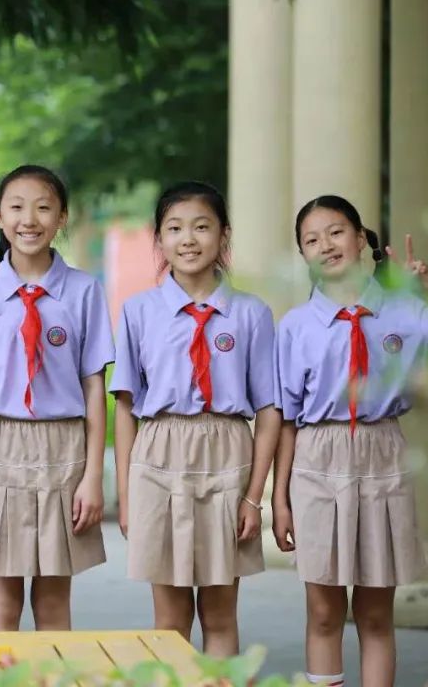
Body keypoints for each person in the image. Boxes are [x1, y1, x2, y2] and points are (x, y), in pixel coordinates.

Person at [272, 194, 428, 687]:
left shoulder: (407, 311)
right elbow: (286, 418)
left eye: (335, 231)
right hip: (317, 455)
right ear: (304, 256)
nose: (325, 245)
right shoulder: (295, 327)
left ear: (361, 238)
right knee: (325, 613)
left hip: (382, 451)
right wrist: (279, 499)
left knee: (374, 615)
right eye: (311, 239)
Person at [0, 165, 113, 630]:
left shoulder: (84, 291)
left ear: (62, 218)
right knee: (2, 603)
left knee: (54, 603)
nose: (28, 219)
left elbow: (94, 386)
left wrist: (94, 476)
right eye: (16, 207)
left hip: (62, 447)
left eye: (43, 207)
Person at [111, 181, 278, 657]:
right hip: (159, 453)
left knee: (221, 615)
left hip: (227, 452)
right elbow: (125, 406)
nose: (188, 239)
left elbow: (268, 409)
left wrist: (254, 498)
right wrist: (126, 495)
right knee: (168, 621)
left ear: (223, 236)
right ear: (159, 239)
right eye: (175, 228)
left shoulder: (251, 314)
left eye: (202, 227)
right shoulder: (139, 312)